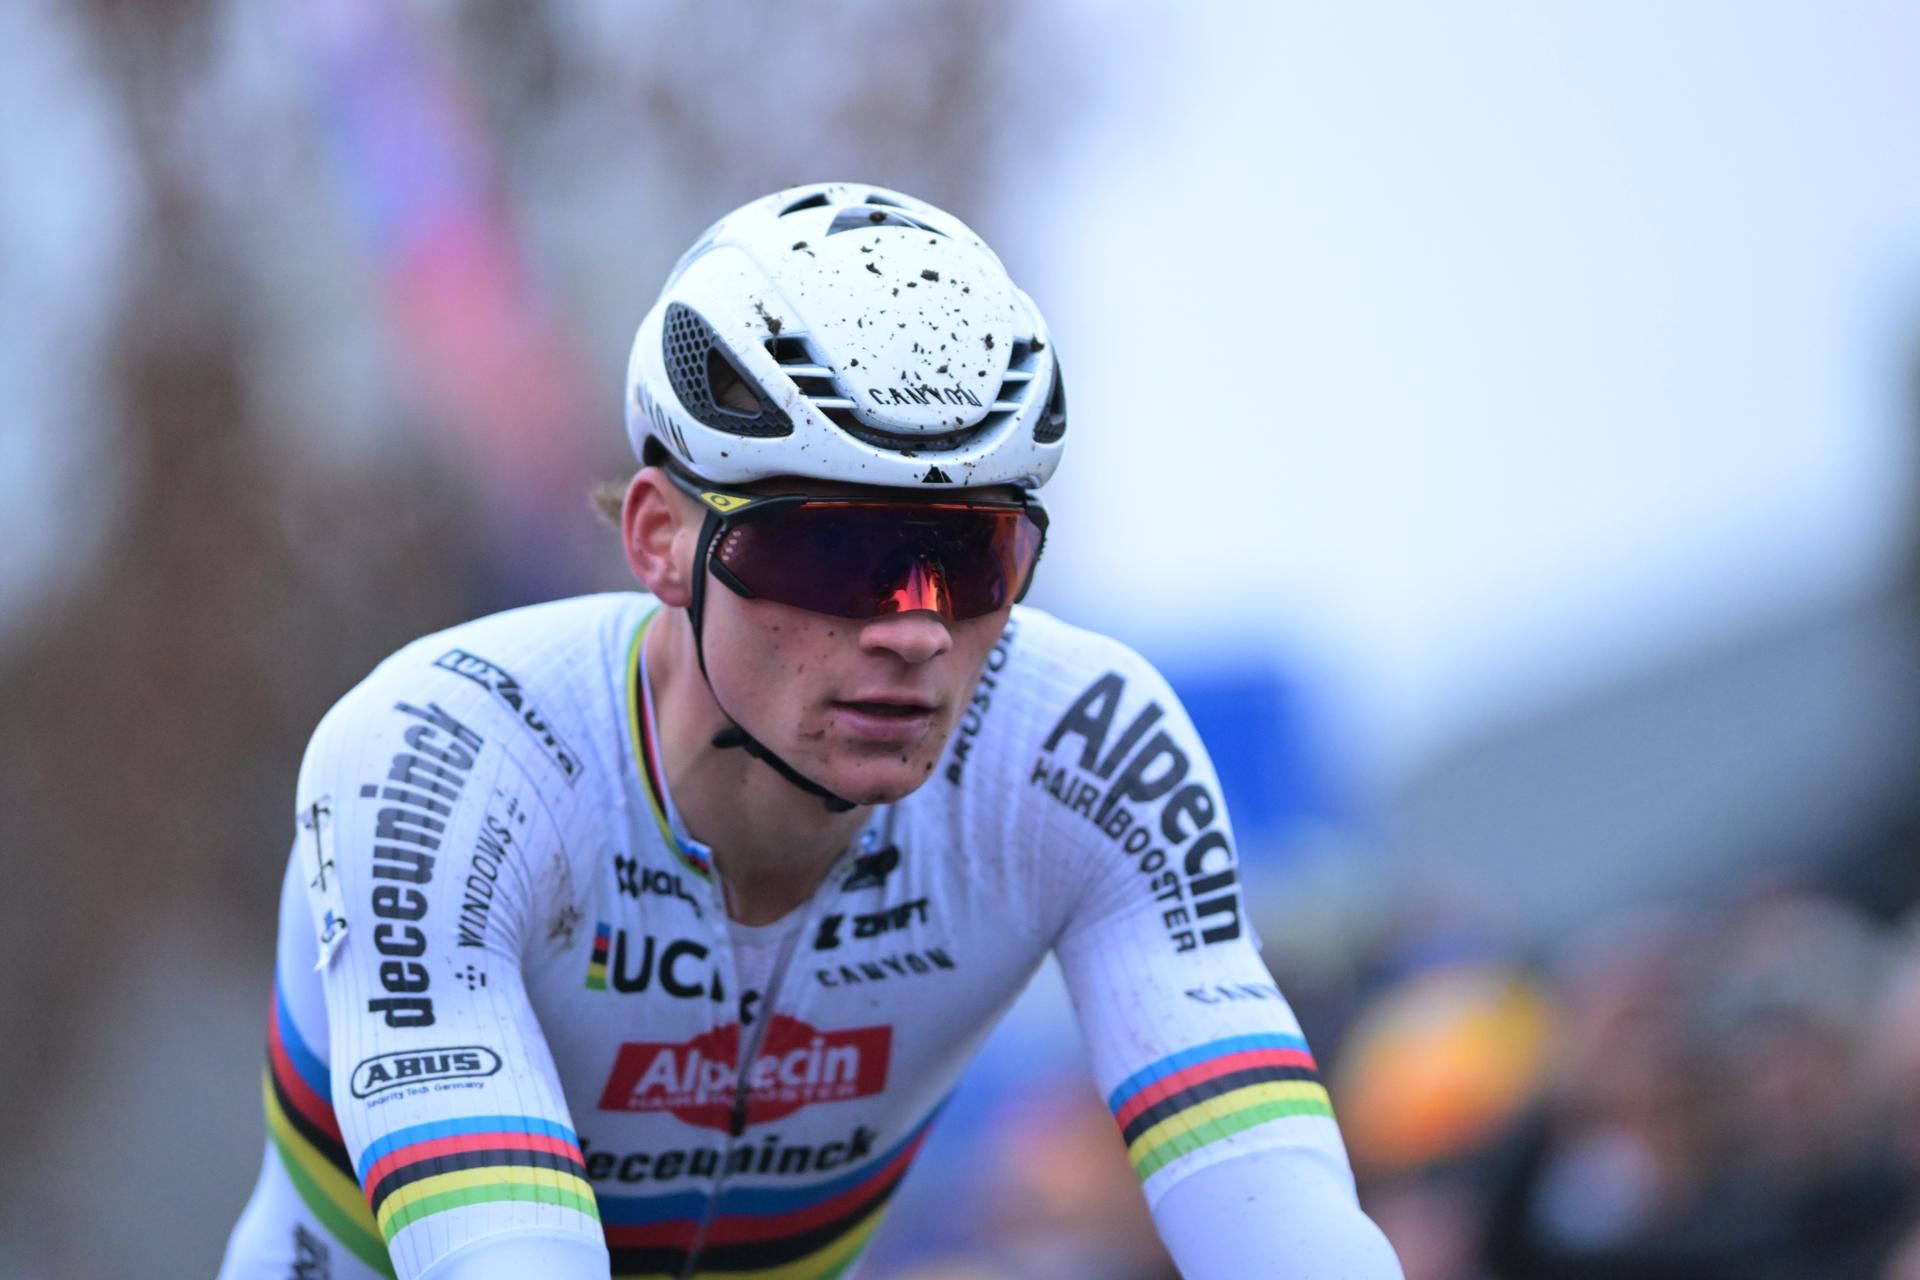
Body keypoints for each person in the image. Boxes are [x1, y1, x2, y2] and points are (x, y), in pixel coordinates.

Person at [218, 182, 1403, 1280]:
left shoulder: (1082, 752)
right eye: (836, 550)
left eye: (970, 557)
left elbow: (1285, 1228)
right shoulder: (448, 760)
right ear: (658, 537)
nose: (917, 631)